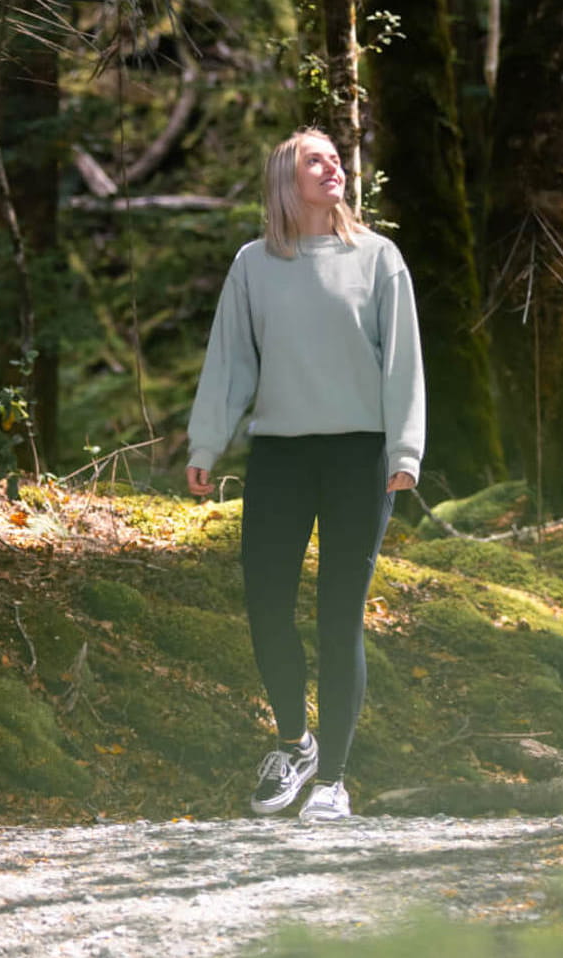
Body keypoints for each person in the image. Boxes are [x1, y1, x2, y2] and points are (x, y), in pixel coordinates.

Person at [184, 127, 425, 823]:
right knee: (265, 606)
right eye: (314, 159)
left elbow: (402, 363)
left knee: (338, 615)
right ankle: (296, 743)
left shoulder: (378, 258)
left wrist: (405, 452)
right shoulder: (254, 265)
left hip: (361, 456)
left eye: (335, 158)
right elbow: (231, 363)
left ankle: (336, 781)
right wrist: (207, 444)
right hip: (281, 456)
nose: (333, 167)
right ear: (285, 183)